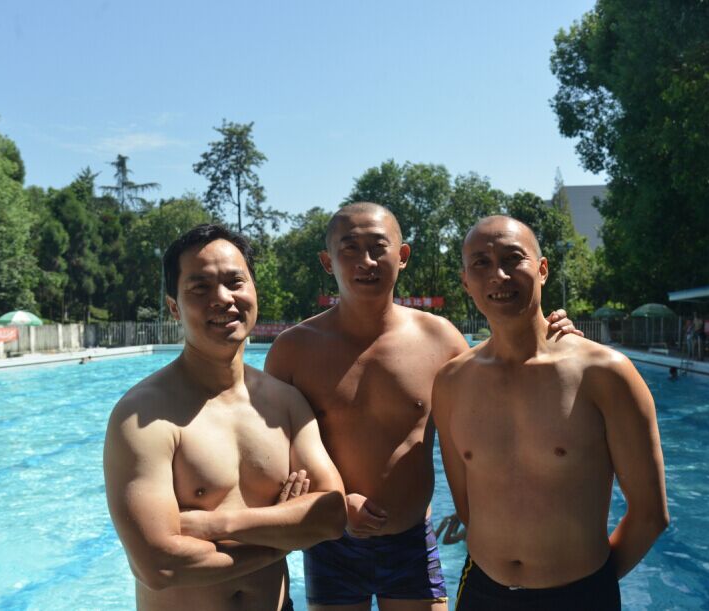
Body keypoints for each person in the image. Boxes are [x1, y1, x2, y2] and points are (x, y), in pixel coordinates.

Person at [264, 202, 581, 611]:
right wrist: (336, 503)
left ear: (402, 255)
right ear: (328, 262)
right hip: (329, 541)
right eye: (350, 248)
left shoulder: (441, 340)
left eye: (378, 247)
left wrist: (552, 338)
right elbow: (272, 458)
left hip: (411, 541)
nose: (366, 261)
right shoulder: (292, 350)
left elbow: (507, 395)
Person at [103, 224, 346, 611]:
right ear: (173, 307)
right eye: (200, 288)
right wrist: (283, 536)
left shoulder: (284, 403)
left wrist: (218, 525)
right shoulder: (142, 417)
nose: (222, 298)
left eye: (235, 282)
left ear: (254, 291)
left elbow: (331, 514)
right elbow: (158, 564)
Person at [432, 216, 669, 610]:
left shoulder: (605, 373)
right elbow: (467, 506)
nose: (498, 275)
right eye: (481, 264)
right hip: (482, 590)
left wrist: (591, 587)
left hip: (580, 594)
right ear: (466, 282)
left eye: (513, 259)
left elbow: (650, 514)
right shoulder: (451, 383)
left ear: (542, 269)